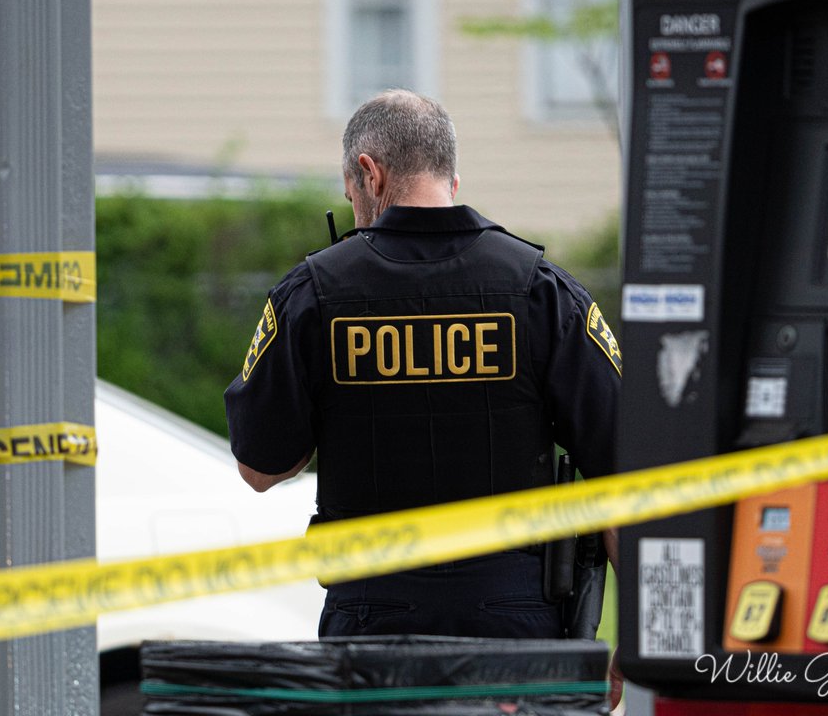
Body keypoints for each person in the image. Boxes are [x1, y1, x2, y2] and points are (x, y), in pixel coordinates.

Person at [224, 89, 620, 640]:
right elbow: (626, 473)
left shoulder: (313, 294)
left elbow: (260, 468)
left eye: (350, 194)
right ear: (451, 183)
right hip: (516, 623)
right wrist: (647, 630)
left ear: (370, 173)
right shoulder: (541, 291)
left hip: (372, 619)